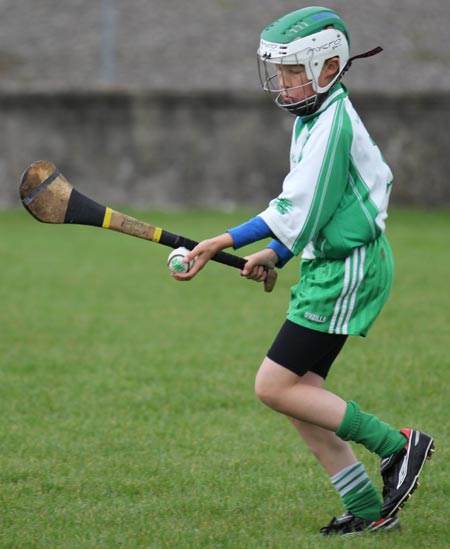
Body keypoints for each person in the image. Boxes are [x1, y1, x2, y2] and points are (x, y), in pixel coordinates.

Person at [172, 6, 434, 537]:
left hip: (348, 270)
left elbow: (295, 206)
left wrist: (223, 240)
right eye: (281, 73)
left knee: (273, 386)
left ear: (330, 66)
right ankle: (368, 511)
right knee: (301, 397)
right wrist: (281, 255)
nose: (286, 84)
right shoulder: (314, 119)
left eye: (295, 72)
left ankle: (399, 446)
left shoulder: (332, 122)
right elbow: (317, 208)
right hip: (327, 265)